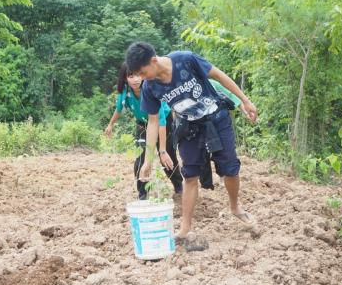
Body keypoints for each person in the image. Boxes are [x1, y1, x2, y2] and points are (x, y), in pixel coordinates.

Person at [125, 42, 258, 242]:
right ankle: (185, 227)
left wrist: (244, 100)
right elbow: (153, 122)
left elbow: (218, 75)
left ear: (153, 61)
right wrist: (148, 160)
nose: (142, 79)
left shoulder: (185, 60)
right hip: (189, 127)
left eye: (143, 73)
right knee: (190, 175)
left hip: (217, 118)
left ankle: (235, 206)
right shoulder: (150, 87)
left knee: (229, 168)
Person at [105, 63, 183, 199]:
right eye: (131, 76)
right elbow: (118, 109)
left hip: (164, 122)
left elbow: (161, 121)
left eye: (138, 75)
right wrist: (111, 124)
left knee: (167, 155)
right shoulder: (125, 93)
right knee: (141, 157)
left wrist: (162, 150)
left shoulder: (151, 89)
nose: (135, 79)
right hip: (142, 124)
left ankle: (178, 185)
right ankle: (143, 194)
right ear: (125, 79)